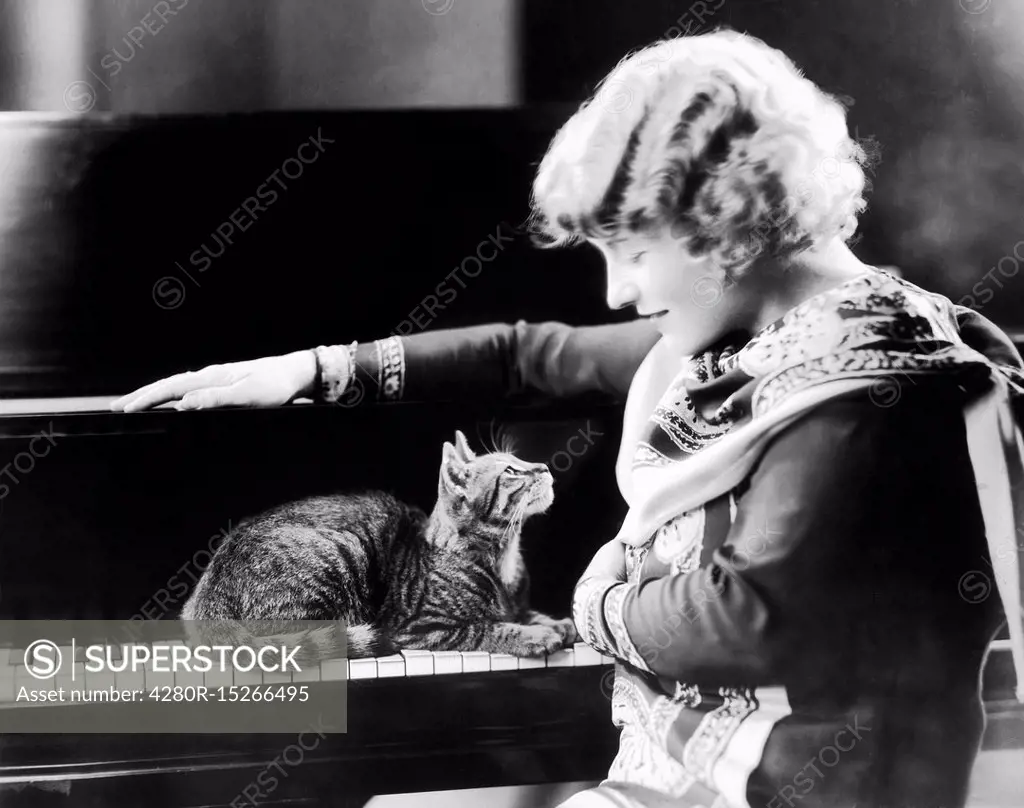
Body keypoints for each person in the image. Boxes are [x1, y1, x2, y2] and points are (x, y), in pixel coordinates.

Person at [113, 29, 1024, 808]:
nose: (617, 292)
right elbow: (526, 355)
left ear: (726, 223)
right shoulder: (765, 329)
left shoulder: (869, 395)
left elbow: (747, 621)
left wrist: (594, 599)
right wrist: (308, 369)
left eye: (629, 252)